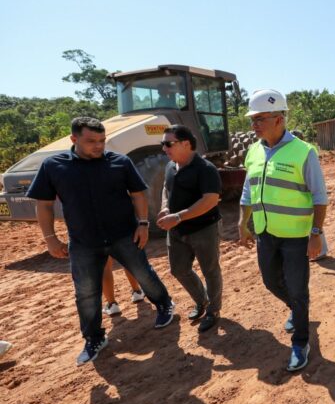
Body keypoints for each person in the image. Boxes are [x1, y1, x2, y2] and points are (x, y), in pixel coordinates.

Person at [27, 117, 174, 366]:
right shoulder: (53, 166)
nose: (98, 146)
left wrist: (142, 224)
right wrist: (50, 239)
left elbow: (138, 194)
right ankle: (94, 338)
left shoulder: (120, 162)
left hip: (124, 234)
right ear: (74, 139)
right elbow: (44, 205)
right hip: (83, 242)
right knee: (85, 292)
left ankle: (164, 304)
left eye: (102, 140)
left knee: (143, 273)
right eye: (91, 141)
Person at [238, 89, 328, 372]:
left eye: (259, 119)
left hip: (296, 237)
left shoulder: (304, 152)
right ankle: (299, 312)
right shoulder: (253, 151)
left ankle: (301, 342)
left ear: (279, 119)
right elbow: (248, 190)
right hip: (265, 233)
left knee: (298, 290)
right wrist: (243, 222)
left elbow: (319, 197)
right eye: (252, 120)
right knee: (270, 282)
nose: (254, 125)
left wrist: (316, 234)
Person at [156, 124, 224, 332]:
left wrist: (178, 216)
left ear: (186, 144)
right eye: (162, 144)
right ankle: (202, 300)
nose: (164, 148)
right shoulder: (171, 166)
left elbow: (210, 200)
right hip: (177, 229)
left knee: (210, 270)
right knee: (179, 269)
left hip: (204, 228)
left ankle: (213, 310)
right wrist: (165, 207)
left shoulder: (206, 169)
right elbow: (166, 188)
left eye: (168, 144)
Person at [290, 129, 328, 261]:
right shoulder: (297, 151)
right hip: (304, 191)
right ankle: (318, 250)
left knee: (314, 222)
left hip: (309, 191)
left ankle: (320, 251)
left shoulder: (306, 150)